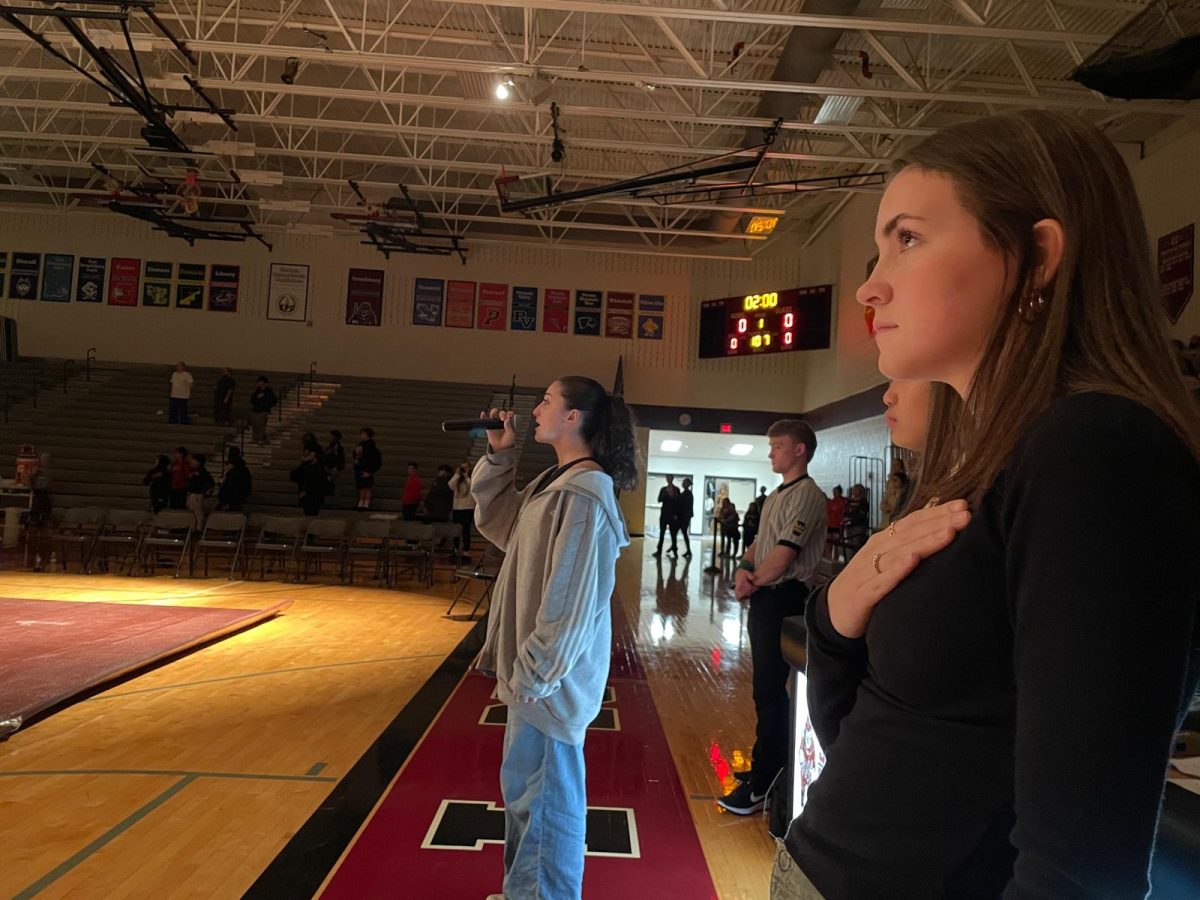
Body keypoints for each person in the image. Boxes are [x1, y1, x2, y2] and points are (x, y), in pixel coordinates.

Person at [774, 110, 1200, 900]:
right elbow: (887, 742)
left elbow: (1080, 863)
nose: (871, 284)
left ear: (1036, 256)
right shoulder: (987, 463)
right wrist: (836, 620)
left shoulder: (1096, 449)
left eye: (907, 238)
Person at [472, 375, 636, 900]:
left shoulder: (586, 494)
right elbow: (502, 526)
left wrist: (534, 677)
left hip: (548, 683)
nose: (536, 409)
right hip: (534, 678)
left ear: (573, 418)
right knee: (527, 799)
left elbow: (570, 605)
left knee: (546, 806)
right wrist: (500, 456)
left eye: (547, 400)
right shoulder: (557, 482)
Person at [718, 420, 827, 817]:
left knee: (770, 689)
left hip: (785, 598)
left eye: (778, 446)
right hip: (766, 597)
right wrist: (743, 569)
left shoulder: (807, 496)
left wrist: (754, 582)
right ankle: (768, 766)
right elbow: (759, 544)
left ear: (799, 451)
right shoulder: (778, 496)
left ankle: (765, 781)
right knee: (764, 688)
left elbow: (784, 554)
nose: (771, 453)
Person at [291, 447, 328, 517]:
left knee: (311, 511)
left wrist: (305, 491)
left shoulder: (318, 468)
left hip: (313, 494)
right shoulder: (309, 466)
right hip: (311, 493)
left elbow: (314, 482)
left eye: (311, 455)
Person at [449, 460, 475, 557]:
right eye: (462, 467)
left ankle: (466, 550)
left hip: (467, 508)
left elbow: (473, 488)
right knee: (456, 530)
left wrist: (466, 476)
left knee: (466, 530)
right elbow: (450, 485)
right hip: (457, 508)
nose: (464, 469)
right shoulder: (457, 480)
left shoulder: (470, 479)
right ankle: (455, 548)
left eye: (466, 467)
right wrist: (456, 474)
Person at [652, 474, 681, 557]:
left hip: (672, 515)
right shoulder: (663, 489)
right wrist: (665, 494)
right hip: (664, 514)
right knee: (662, 533)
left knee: (673, 534)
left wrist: (676, 514)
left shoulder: (676, 490)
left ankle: (675, 551)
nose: (668, 479)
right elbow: (659, 499)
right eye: (667, 478)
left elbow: (678, 503)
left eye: (670, 478)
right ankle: (659, 551)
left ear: (672, 479)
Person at [353, 428, 382, 511]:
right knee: (362, 488)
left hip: (367, 469)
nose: (361, 435)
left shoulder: (371, 447)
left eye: (363, 433)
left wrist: (370, 471)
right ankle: (361, 504)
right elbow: (356, 454)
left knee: (367, 488)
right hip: (360, 468)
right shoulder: (360, 444)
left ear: (366, 434)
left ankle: (366, 504)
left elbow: (376, 461)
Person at [217, 447, 252, 511]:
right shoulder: (230, 471)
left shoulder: (240, 471)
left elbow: (235, 486)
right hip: (228, 497)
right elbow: (221, 482)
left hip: (235, 498)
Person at [185, 453, 214, 530]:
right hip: (194, 494)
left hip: (197, 495)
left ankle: (198, 529)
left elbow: (208, 483)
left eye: (193, 460)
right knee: (194, 514)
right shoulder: (195, 472)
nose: (192, 462)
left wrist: (204, 492)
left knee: (198, 514)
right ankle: (195, 528)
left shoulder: (202, 473)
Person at [880, 458, 910, 528]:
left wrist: (893, 508)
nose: (894, 466)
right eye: (893, 464)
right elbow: (886, 493)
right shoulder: (890, 479)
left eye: (897, 464)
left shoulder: (905, 481)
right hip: (888, 505)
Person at [248, 376, 277, 445]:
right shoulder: (257, 391)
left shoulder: (269, 391)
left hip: (263, 410)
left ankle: (261, 439)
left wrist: (267, 405)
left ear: (264, 383)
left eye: (260, 382)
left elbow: (274, 400)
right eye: (259, 382)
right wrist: (257, 397)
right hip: (256, 410)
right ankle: (254, 438)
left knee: (262, 425)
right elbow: (252, 400)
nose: (259, 383)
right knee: (255, 424)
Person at [825, 485, 847, 557]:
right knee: (828, 544)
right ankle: (829, 560)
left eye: (836, 492)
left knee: (836, 545)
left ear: (840, 492)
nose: (834, 493)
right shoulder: (831, 502)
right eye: (833, 492)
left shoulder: (843, 502)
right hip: (829, 525)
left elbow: (843, 514)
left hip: (837, 526)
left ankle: (835, 562)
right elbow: (826, 513)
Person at [325, 430, 346, 500]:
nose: (329, 437)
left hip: (334, 468)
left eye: (331, 436)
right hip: (329, 467)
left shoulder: (337, 446)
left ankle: (335, 501)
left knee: (335, 485)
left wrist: (337, 467)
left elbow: (340, 458)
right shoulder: (330, 445)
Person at [678, 477, 695, 558]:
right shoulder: (685, 493)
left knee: (684, 532)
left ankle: (688, 550)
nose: (683, 483)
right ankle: (688, 550)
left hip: (685, 516)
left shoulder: (688, 494)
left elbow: (687, 507)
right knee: (684, 533)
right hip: (684, 516)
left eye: (684, 482)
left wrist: (681, 514)